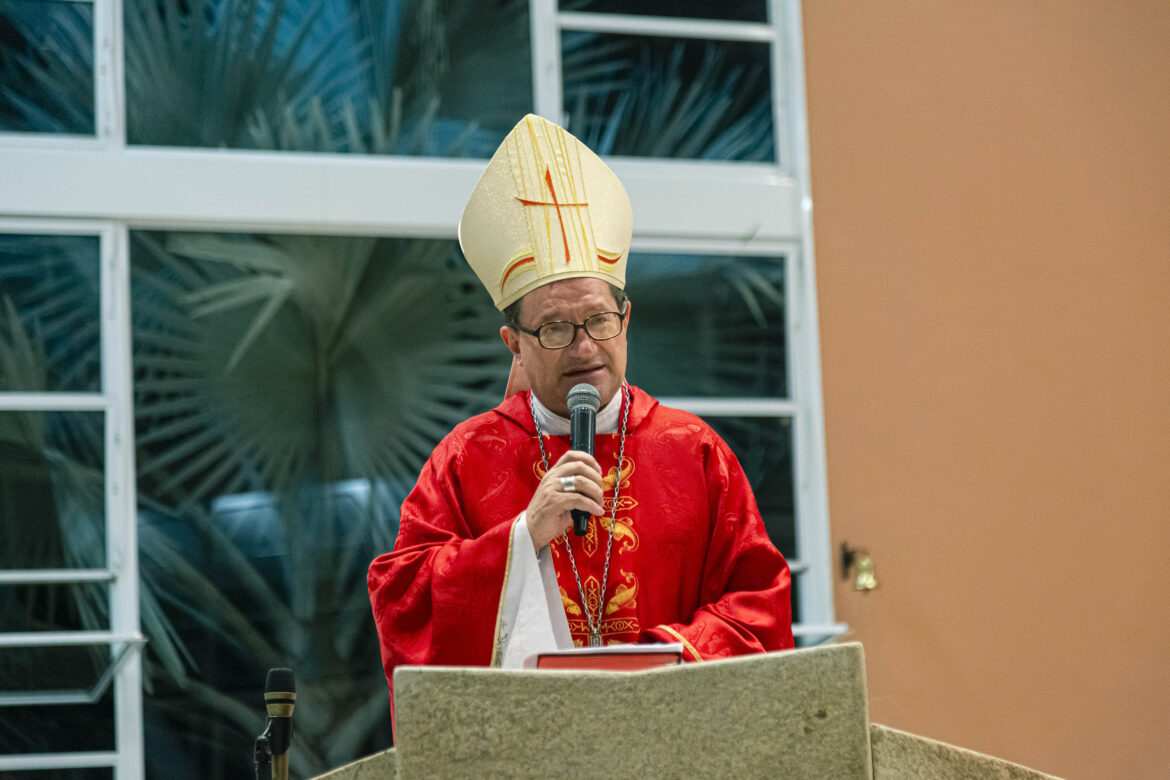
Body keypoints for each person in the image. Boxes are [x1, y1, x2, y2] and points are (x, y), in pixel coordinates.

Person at [368, 115, 793, 698]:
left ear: (626, 319)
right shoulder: (465, 459)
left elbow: (759, 607)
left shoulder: (694, 452)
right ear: (513, 343)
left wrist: (659, 663)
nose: (585, 347)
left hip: (666, 729)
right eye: (554, 328)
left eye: (598, 320)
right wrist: (522, 537)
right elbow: (404, 602)